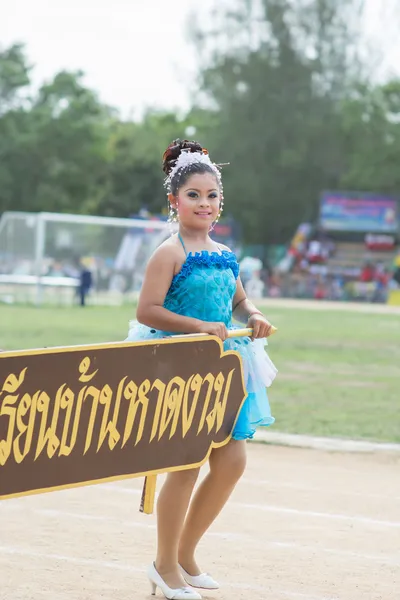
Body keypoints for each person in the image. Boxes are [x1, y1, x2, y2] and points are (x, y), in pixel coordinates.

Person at [125, 139, 277, 600]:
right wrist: (196, 326)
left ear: (220, 201)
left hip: (223, 370)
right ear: (175, 200)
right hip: (176, 369)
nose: (204, 203)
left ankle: (186, 555)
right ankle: (164, 566)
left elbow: (237, 298)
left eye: (212, 195)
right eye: (193, 195)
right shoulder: (167, 253)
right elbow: (148, 310)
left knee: (232, 460)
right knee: (186, 467)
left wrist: (251, 313)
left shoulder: (226, 254)